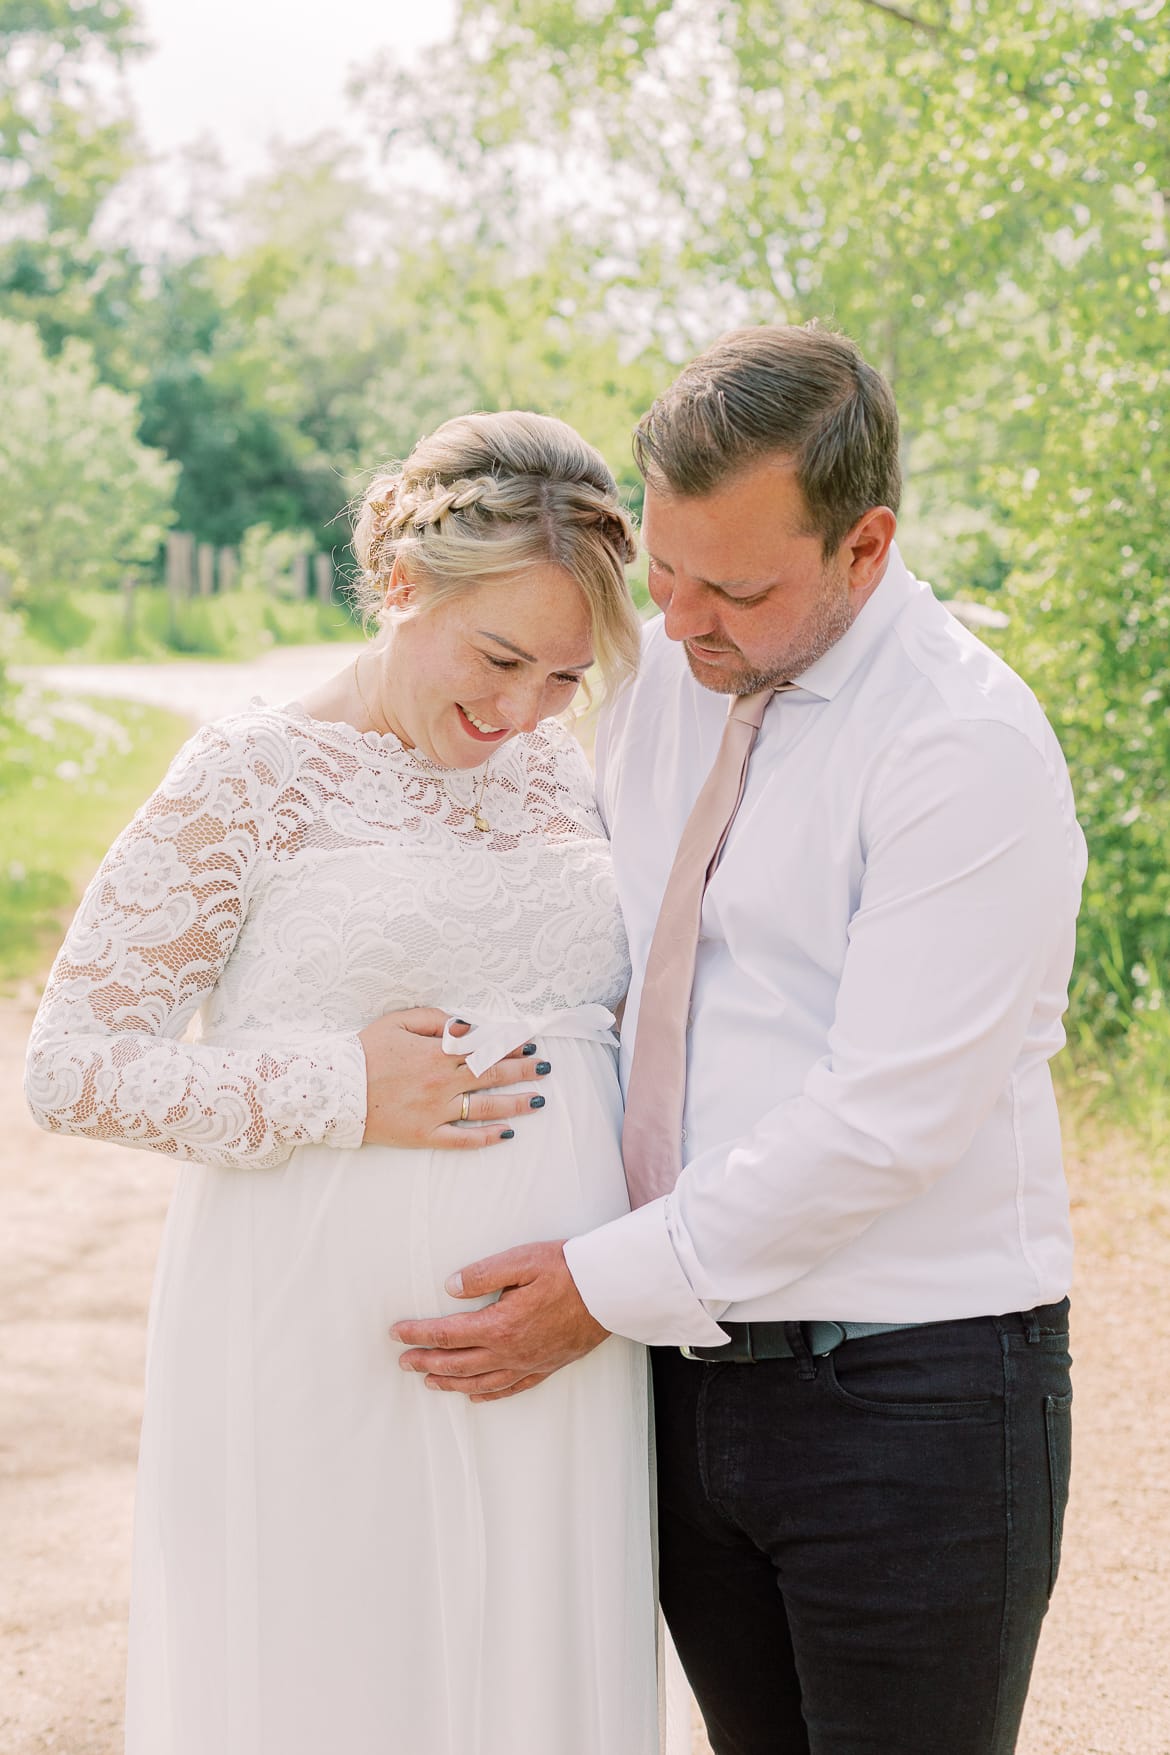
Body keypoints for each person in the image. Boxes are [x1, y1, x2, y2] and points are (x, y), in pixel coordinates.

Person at [393, 325, 1088, 1755]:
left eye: (739, 586)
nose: (684, 618)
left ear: (865, 544)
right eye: (666, 568)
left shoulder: (962, 748)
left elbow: (884, 1120)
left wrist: (596, 1285)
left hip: (909, 1400)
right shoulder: (660, 687)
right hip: (678, 1389)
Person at [24, 412, 664, 1755]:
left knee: (529, 1678)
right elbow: (73, 1063)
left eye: (561, 675)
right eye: (497, 658)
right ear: (396, 587)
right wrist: (335, 1089)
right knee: (332, 1680)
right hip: (316, 1332)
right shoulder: (252, 775)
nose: (519, 711)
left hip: (554, 1355)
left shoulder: (564, 773)